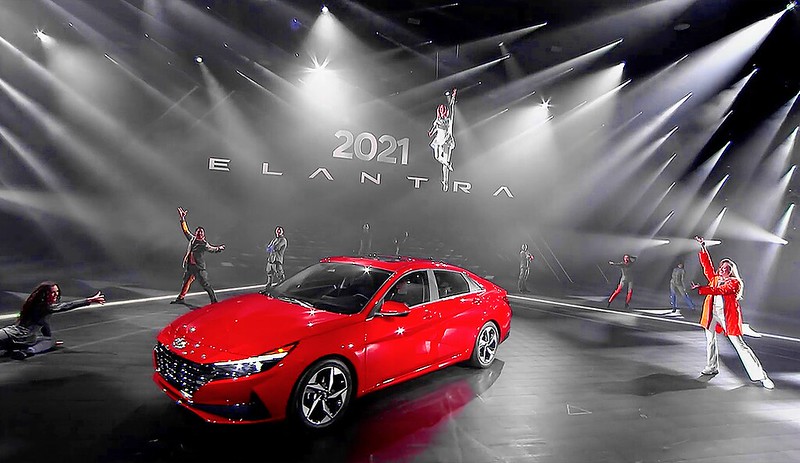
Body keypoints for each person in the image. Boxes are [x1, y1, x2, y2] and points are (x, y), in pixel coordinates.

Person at [690, 236, 773, 389]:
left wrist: (701, 288)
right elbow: (707, 266)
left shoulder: (735, 283)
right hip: (712, 314)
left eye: (726, 268)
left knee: (740, 345)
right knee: (710, 340)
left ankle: (761, 376)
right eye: (721, 267)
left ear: (731, 271)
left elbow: (720, 290)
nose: (722, 269)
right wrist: (703, 247)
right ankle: (711, 366)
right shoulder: (715, 278)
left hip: (727, 317)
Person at [0, 282, 105, 360]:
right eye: (52, 293)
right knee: (49, 342)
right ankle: (27, 351)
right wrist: (89, 300)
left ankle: (14, 349)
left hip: (10, 333)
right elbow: (66, 306)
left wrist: (48, 337)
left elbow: (44, 324)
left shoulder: (31, 305)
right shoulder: (45, 307)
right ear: (44, 294)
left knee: (48, 340)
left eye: (57, 292)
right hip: (23, 339)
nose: (55, 295)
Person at [171, 207, 225, 305]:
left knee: (205, 285)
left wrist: (219, 248)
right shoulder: (192, 239)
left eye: (201, 232)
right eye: (198, 231)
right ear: (195, 233)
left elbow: (211, 248)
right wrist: (182, 219)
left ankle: (214, 301)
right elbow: (185, 230)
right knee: (186, 282)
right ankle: (180, 298)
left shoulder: (204, 244)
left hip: (199, 268)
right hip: (190, 266)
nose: (199, 233)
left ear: (203, 235)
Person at [428, 88, 457, 191]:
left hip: (445, 140)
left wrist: (453, 97)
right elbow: (434, 128)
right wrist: (431, 132)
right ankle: (447, 169)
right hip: (442, 140)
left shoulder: (445, 120)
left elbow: (452, 108)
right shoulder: (441, 120)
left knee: (441, 159)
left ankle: (445, 181)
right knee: (440, 158)